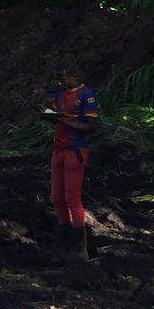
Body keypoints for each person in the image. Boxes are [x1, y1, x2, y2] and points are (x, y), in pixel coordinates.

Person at [48, 68, 98, 260]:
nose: (62, 79)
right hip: (58, 150)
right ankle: (63, 242)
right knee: (56, 197)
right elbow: (56, 114)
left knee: (72, 198)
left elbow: (90, 126)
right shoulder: (60, 93)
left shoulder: (87, 95)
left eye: (66, 75)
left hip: (75, 150)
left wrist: (67, 123)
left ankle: (79, 248)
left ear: (77, 76)